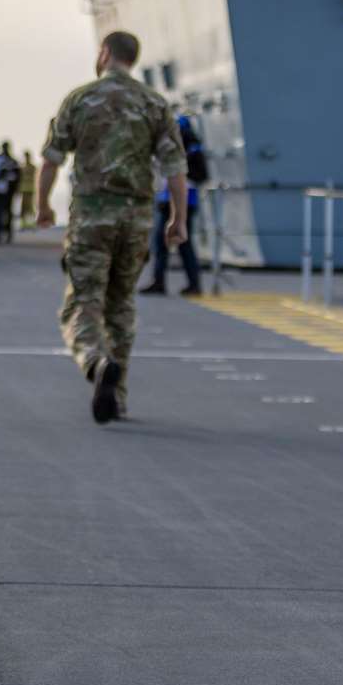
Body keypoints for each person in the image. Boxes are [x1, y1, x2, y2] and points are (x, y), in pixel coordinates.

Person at [37, 30, 187, 425]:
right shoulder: (154, 103)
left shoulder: (81, 98)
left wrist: (41, 208)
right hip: (137, 217)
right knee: (121, 303)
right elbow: (175, 169)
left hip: (91, 214)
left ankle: (95, 361)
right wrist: (178, 220)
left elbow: (52, 159)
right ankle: (116, 396)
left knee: (83, 301)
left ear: (104, 53)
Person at [142, 115, 203, 296]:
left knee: (173, 243)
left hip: (178, 201)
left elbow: (191, 176)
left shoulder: (187, 151)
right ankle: (175, 282)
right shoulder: (186, 149)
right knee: (170, 244)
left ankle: (179, 283)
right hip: (173, 201)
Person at [18, 150, 37, 228]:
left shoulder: (32, 167)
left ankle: (32, 223)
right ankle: (23, 224)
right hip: (23, 189)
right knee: (23, 207)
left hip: (30, 189)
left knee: (30, 207)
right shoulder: (22, 167)